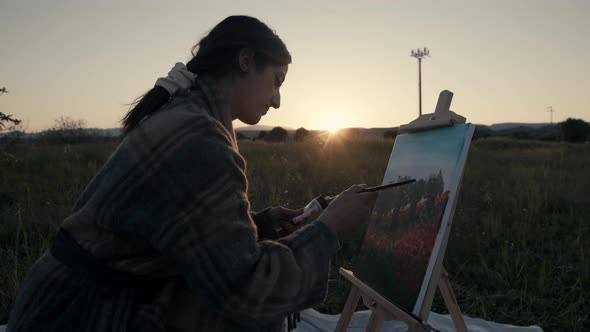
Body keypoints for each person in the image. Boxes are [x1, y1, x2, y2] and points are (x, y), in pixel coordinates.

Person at [7, 15, 377, 332]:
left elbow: (165, 231)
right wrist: (328, 228)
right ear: (246, 61)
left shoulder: (189, 117)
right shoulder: (199, 139)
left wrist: (260, 225)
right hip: (83, 316)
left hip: (64, 304)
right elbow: (244, 290)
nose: (278, 99)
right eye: (277, 80)